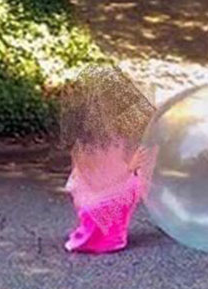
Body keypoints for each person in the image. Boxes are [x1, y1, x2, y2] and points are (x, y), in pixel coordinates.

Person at [61, 65, 155, 254]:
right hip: (93, 195)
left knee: (135, 184)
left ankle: (113, 233)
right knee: (124, 190)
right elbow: (94, 180)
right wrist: (129, 167)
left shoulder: (118, 133)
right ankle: (99, 234)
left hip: (113, 185)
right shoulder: (85, 144)